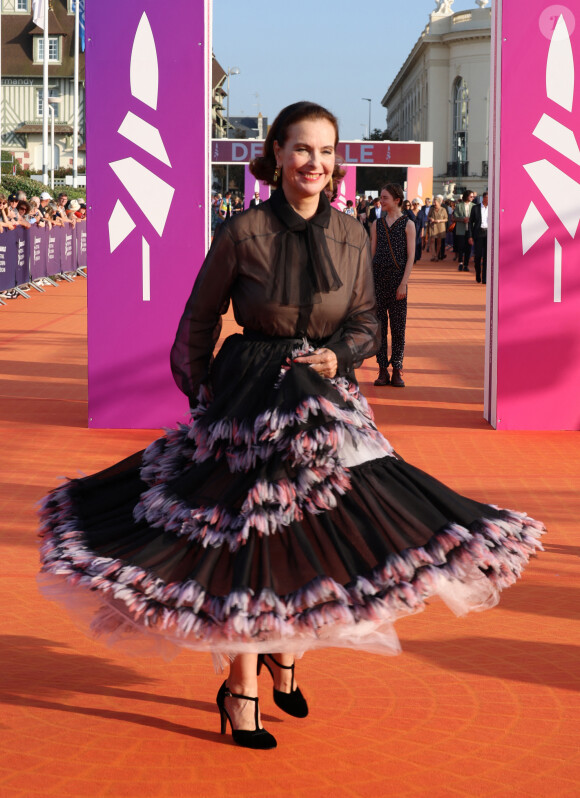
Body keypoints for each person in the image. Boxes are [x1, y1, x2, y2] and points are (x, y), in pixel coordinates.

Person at [38, 101, 544, 752]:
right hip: (248, 397)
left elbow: (364, 318)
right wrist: (205, 401)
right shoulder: (243, 232)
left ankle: (286, 651)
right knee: (247, 541)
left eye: (326, 151)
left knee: (319, 532)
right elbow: (199, 319)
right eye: (302, 148)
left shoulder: (350, 234)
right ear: (276, 154)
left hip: (322, 396)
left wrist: (343, 354)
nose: (315, 162)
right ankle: (241, 687)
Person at [369, 183, 415, 388]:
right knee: (379, 328)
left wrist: (404, 283)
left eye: (385, 197)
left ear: (397, 200)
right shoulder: (376, 224)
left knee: (398, 327)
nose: (381, 200)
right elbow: (371, 254)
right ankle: (382, 370)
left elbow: (411, 256)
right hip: (378, 278)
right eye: (381, 197)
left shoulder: (408, 224)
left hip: (398, 280)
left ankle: (397, 368)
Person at [468, 191, 489, 284]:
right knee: (478, 256)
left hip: (488, 234)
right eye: (488, 198)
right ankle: (477, 274)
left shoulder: (493, 208)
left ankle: (485, 278)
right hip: (478, 234)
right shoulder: (475, 208)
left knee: (486, 257)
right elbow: (470, 222)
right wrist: (470, 236)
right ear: (484, 198)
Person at [453, 190, 474, 272]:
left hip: (470, 230)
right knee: (461, 247)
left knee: (468, 248)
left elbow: (476, 218)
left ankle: (466, 264)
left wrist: (470, 219)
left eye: (473, 196)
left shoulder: (474, 206)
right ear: (466, 196)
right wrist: (463, 219)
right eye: (471, 196)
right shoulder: (458, 205)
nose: (472, 198)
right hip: (461, 229)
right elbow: (455, 217)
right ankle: (460, 263)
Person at [428, 195, 448, 261]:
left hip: (441, 227)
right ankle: (433, 255)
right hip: (433, 226)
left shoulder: (443, 209)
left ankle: (437, 255)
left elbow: (446, 219)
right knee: (432, 240)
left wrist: (440, 220)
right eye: (433, 201)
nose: (434, 203)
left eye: (435, 202)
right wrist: (431, 218)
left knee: (439, 241)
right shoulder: (431, 209)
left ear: (439, 202)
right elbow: (428, 216)